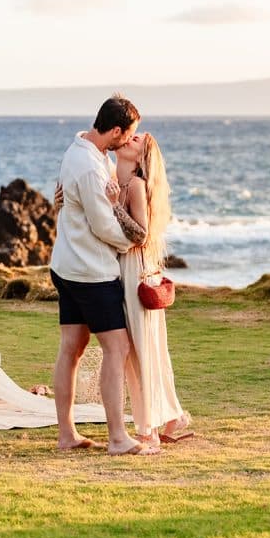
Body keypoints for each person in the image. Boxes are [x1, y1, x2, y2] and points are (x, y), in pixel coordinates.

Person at [49, 94, 158, 456]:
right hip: (90, 272)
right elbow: (104, 226)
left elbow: (74, 205)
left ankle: (67, 434)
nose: (130, 140)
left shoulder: (81, 149)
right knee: (117, 348)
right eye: (129, 134)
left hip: (65, 265)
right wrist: (129, 246)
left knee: (72, 349)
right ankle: (117, 438)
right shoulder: (91, 167)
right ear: (114, 130)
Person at [113, 131, 193, 448]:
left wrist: (113, 207)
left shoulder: (134, 185)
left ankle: (149, 429)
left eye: (134, 141)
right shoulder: (114, 177)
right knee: (143, 351)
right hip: (126, 270)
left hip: (134, 272)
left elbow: (141, 235)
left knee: (140, 352)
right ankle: (170, 416)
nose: (127, 140)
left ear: (140, 158)